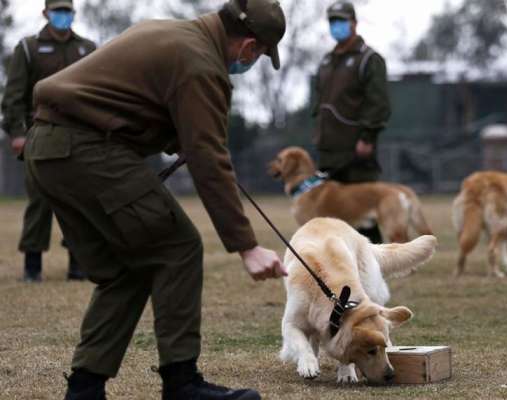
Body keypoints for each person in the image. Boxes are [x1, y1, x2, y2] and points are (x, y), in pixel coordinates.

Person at [24, 0, 287, 398]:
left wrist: (172, 135)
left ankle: (85, 388)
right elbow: (208, 157)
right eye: (262, 54)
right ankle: (182, 385)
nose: (254, 61)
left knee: (124, 268)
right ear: (249, 46)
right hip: (87, 149)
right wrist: (246, 246)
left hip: (47, 147)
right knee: (177, 246)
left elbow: (132, 102)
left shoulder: (171, 33)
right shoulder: (200, 63)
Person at [1, 0, 96, 282]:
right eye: (58, 11)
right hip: (39, 135)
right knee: (39, 202)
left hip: (80, 136)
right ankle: (33, 267)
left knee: (80, 201)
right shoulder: (28, 49)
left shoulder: (87, 49)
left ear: (74, 13)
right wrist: (18, 134)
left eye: (67, 11)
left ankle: (78, 265)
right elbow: (13, 97)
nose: (63, 16)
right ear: (45, 13)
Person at [311, 1, 391, 244]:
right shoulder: (326, 61)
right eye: (332, 21)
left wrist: (368, 137)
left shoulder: (369, 59)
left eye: (341, 21)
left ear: (354, 23)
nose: (336, 26)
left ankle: (376, 267)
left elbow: (379, 104)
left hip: (356, 153)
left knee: (364, 218)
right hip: (329, 152)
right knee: (332, 218)